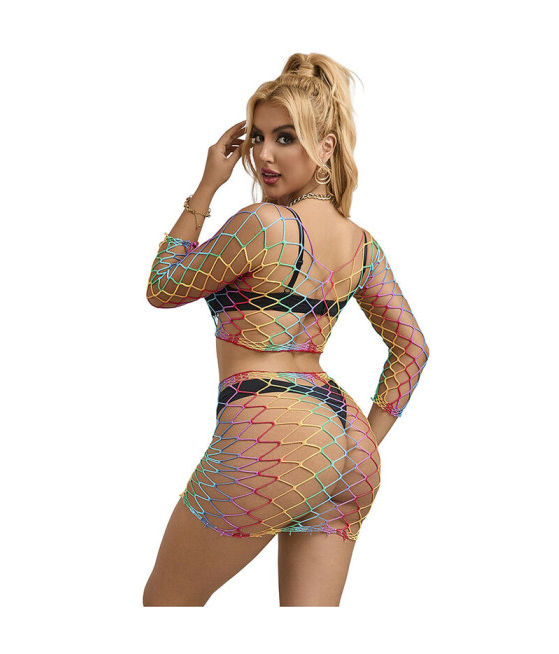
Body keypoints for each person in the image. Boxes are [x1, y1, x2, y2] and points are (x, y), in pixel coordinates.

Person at [142, 52, 429, 607]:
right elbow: (412, 349)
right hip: (349, 446)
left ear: (325, 147)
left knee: (165, 608)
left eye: (285, 138)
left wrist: (206, 186)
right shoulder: (362, 244)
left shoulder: (261, 223)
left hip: (271, 431)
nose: (263, 155)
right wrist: (364, 441)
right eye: (257, 137)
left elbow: (163, 285)